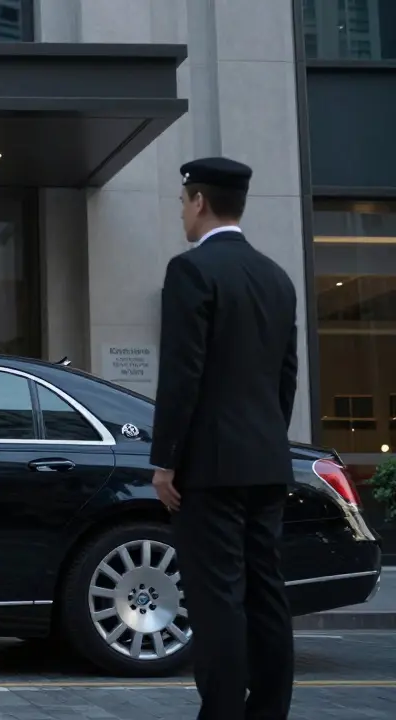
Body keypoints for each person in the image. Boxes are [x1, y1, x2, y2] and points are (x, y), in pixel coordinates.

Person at [150, 156, 299, 719]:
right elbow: (286, 376)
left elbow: (181, 373)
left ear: (199, 201)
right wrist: (266, 441)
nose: (181, 215)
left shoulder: (191, 271)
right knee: (267, 594)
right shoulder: (276, 276)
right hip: (266, 461)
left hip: (210, 468)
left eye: (182, 203)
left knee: (218, 600)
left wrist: (165, 461)